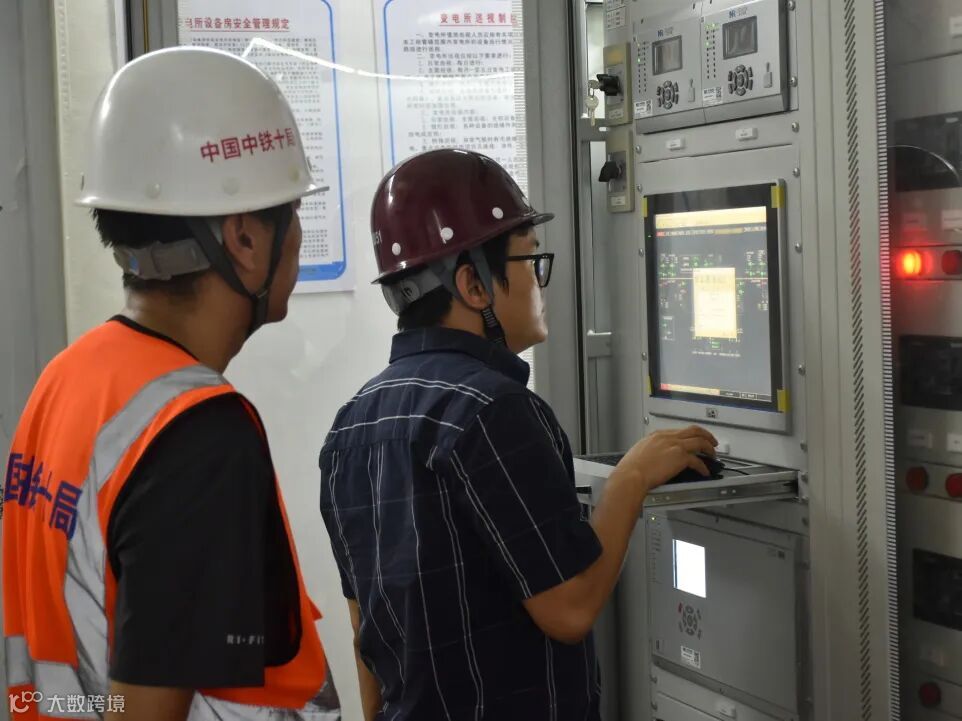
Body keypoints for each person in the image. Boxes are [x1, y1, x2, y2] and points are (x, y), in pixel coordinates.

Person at [318, 148, 717, 720]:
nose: (539, 282)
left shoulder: (352, 424)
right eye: (531, 260)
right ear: (473, 285)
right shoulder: (494, 409)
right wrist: (631, 478)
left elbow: (367, 630)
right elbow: (570, 607)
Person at [3, 47, 338, 721]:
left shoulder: (68, 379)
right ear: (244, 239)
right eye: (292, 211)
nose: (300, 234)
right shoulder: (198, 436)